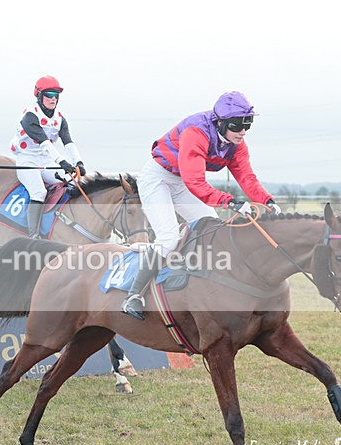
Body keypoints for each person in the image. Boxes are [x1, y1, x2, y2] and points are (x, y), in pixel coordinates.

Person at [120, 91, 282, 320]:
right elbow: (195, 181)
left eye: (248, 124)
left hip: (183, 181)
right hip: (158, 179)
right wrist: (231, 202)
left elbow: (246, 177)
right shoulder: (196, 132)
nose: (243, 131)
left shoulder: (237, 143)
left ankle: (201, 288)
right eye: (237, 125)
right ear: (221, 121)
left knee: (212, 229)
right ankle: (133, 296)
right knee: (168, 238)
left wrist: (267, 201)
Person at [8, 75, 86, 238]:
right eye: (49, 95)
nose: (53, 99)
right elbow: (44, 142)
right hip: (27, 159)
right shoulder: (30, 116)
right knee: (39, 193)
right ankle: (33, 236)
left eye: (56, 95)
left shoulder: (60, 118)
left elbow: (68, 141)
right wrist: (62, 162)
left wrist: (78, 162)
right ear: (38, 95)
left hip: (46, 160)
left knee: (71, 184)